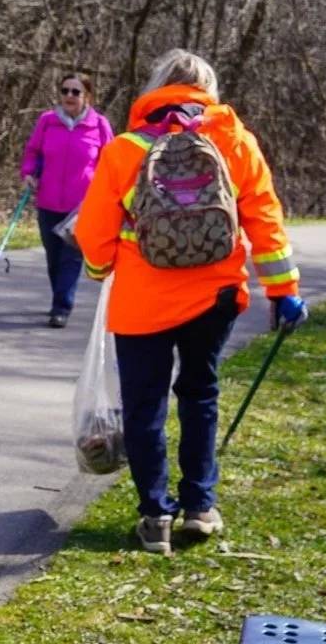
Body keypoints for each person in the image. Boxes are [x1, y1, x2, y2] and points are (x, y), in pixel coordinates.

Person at [73, 49, 306, 556]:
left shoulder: (126, 149)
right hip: (214, 295)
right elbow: (264, 221)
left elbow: (93, 232)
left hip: (141, 298)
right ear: (208, 91)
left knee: (144, 407)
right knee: (200, 393)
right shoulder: (235, 143)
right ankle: (200, 506)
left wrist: (99, 268)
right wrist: (284, 291)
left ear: (157, 89)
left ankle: (155, 516)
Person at [19, 72, 113, 328]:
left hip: (82, 206)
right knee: (53, 257)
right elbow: (33, 151)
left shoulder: (100, 125)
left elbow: (111, 163)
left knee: (71, 258)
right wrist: (28, 173)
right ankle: (58, 298)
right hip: (48, 201)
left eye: (75, 92)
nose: (69, 96)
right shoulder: (47, 122)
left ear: (87, 97)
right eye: (65, 91)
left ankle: (61, 307)